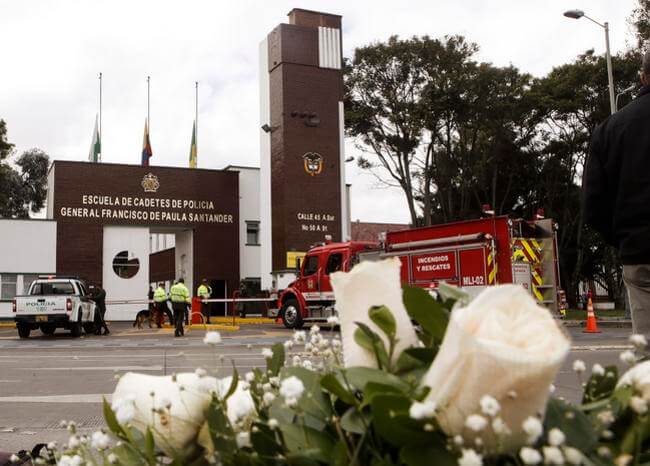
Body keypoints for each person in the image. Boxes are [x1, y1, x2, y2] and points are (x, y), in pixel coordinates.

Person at [583, 50, 650, 339]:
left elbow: (593, 206)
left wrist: (623, 238)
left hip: (640, 253)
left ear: (643, 76)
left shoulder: (610, 129)